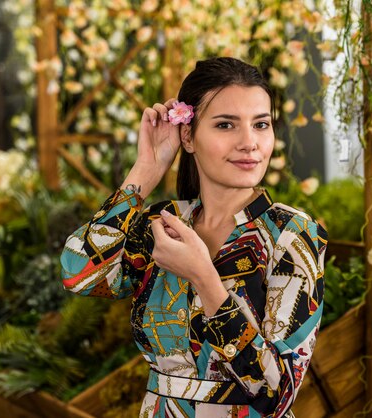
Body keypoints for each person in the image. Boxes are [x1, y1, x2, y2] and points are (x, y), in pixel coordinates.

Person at [60, 57, 328, 418]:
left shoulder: (292, 233)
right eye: (225, 125)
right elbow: (78, 273)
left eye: (261, 124)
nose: (250, 143)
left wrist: (204, 277)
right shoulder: (164, 224)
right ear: (188, 136)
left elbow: (275, 393)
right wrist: (146, 170)